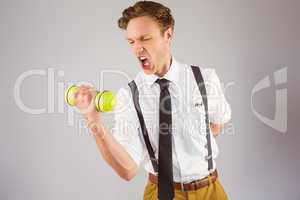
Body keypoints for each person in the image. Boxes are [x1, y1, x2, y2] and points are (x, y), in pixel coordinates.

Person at [74, 1, 232, 199]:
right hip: (160, 193)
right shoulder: (129, 96)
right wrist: (93, 120)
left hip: (210, 191)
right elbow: (128, 170)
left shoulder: (204, 79)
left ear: (168, 34)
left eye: (145, 39)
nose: (137, 48)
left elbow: (218, 123)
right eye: (131, 41)